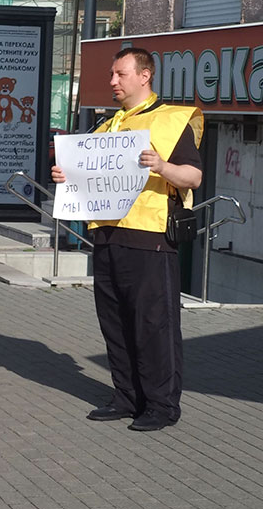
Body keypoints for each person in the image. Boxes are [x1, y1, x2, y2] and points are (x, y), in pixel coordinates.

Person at [51, 47, 203, 432]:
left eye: (120, 74)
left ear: (144, 76)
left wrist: (162, 165)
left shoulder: (171, 120)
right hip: (106, 234)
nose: (112, 81)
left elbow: (193, 178)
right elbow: (87, 176)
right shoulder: (107, 126)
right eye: (112, 74)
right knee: (115, 322)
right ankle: (126, 396)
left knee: (154, 324)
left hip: (150, 237)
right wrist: (65, 176)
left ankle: (161, 405)